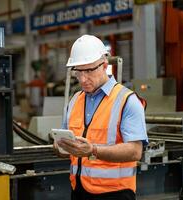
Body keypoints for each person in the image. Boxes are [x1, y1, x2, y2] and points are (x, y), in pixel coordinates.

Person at [53, 34, 148, 200]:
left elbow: (135, 151)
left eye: (89, 71)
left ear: (104, 65)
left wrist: (93, 150)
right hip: (78, 190)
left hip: (115, 193)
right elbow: (68, 149)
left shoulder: (127, 100)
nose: (83, 79)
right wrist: (61, 147)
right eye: (78, 71)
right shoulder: (75, 100)